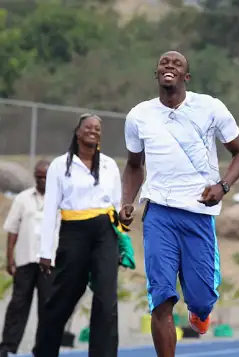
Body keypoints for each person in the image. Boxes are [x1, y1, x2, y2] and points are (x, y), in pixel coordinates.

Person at [119, 50, 239, 357]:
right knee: (161, 298)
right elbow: (134, 166)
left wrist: (223, 186)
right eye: (164, 62)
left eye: (177, 63)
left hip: (198, 213)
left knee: (202, 298)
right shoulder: (139, 115)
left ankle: (200, 311)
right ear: (156, 74)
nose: (169, 65)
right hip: (159, 214)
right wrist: (127, 202)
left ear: (185, 77)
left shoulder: (210, 108)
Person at [32, 113, 128, 357]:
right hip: (73, 232)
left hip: (105, 233)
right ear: (77, 131)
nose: (93, 131)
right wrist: (45, 252)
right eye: (88, 127)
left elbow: (116, 206)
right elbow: (51, 210)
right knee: (63, 297)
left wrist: (122, 236)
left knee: (107, 300)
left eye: (97, 128)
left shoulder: (109, 165)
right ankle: (44, 351)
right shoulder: (59, 166)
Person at [0, 160, 56, 357]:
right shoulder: (23, 199)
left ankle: (44, 348)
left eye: (45, 177)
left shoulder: (59, 200)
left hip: (49, 263)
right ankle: (7, 346)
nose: (42, 180)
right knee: (18, 304)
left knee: (47, 306)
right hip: (25, 260)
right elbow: (12, 229)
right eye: (38, 176)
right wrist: (10, 258)